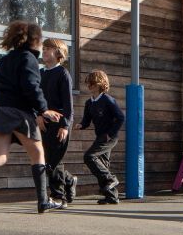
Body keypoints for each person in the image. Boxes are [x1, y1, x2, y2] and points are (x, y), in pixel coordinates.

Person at [0, 21, 65, 213]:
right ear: (34, 40)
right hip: (19, 113)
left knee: (0, 156)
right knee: (38, 154)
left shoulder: (5, 59)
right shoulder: (29, 59)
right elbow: (31, 86)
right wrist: (43, 109)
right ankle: (43, 200)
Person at [40, 39, 77, 207]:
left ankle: (58, 196)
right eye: (44, 48)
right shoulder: (40, 73)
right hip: (42, 123)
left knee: (53, 160)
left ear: (58, 53)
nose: (44, 51)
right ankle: (69, 180)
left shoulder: (63, 74)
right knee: (50, 160)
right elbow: (36, 99)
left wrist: (65, 125)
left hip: (58, 124)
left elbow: (68, 104)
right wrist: (38, 116)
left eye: (48, 48)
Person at [79, 70, 124, 205]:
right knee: (102, 164)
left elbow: (121, 117)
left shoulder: (108, 100)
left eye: (92, 83)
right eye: (88, 83)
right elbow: (86, 121)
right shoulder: (89, 103)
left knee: (89, 156)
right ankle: (111, 196)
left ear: (100, 84)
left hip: (110, 137)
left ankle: (110, 179)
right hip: (100, 137)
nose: (89, 86)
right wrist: (80, 125)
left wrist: (110, 133)